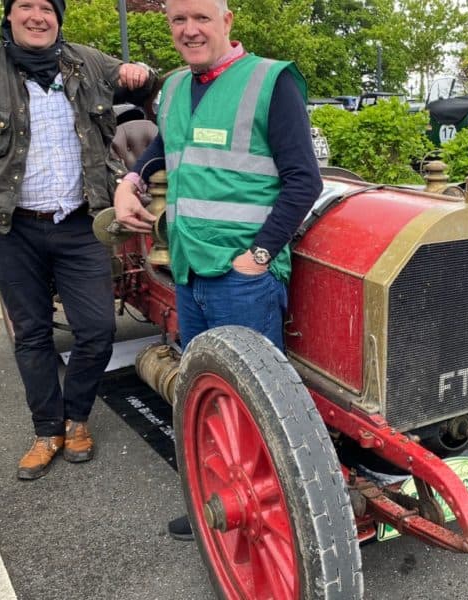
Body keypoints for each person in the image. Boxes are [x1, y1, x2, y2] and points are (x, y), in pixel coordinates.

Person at [112, 0, 322, 540]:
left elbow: (304, 181)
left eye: (201, 17)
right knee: (204, 393)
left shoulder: (270, 81)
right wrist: (131, 181)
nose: (189, 29)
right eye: (178, 20)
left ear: (227, 22)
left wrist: (256, 257)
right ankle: (216, 500)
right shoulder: (177, 87)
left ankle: (273, 523)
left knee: (254, 407)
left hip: (240, 278)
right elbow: (166, 147)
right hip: (188, 268)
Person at [0, 0, 155, 481]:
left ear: (58, 17)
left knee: (97, 330)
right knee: (32, 333)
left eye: (46, 8)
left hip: (80, 222)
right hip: (10, 225)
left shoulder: (87, 61)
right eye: (25, 6)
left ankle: (77, 419)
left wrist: (143, 71)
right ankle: (47, 430)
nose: (37, 16)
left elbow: (140, 79)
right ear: (9, 15)